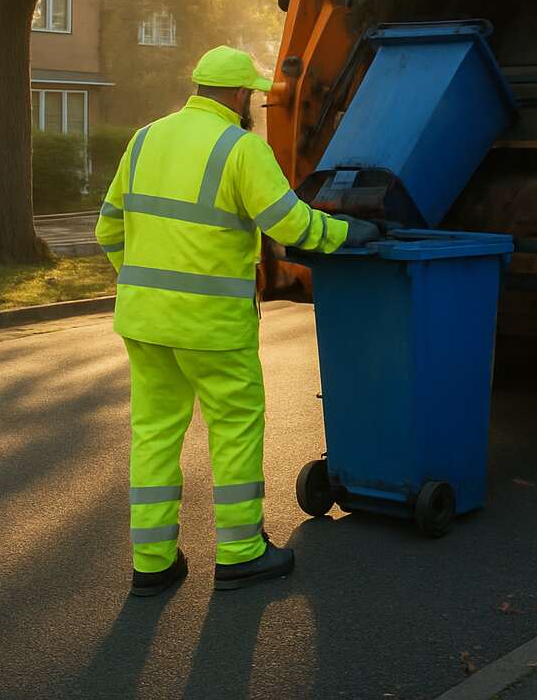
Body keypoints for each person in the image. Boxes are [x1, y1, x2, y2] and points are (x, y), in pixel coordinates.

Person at [95, 45, 380, 596]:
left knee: (154, 435)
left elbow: (108, 228)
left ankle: (152, 564)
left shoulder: (145, 138)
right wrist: (349, 233)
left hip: (144, 321)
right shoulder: (240, 148)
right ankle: (241, 552)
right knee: (234, 430)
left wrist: (144, 285)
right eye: (251, 94)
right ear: (238, 94)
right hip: (212, 328)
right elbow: (289, 225)